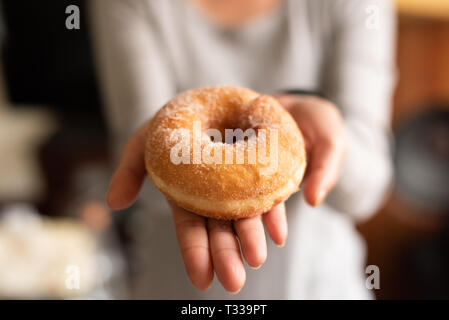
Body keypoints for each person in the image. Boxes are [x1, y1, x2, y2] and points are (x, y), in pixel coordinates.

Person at [89, 0, 396, 299]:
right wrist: (203, 183)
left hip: (317, 281)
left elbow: (370, 185)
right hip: (179, 284)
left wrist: (329, 143)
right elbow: (147, 169)